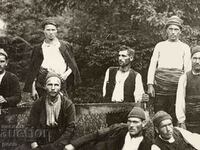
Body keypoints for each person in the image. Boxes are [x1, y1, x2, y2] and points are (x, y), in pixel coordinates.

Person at [147, 15, 191, 123]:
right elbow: (152, 65)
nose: (173, 32)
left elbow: (187, 69)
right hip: (160, 87)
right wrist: (150, 85)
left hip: (177, 87)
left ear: (180, 31)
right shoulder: (160, 45)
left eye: (176, 29)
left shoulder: (185, 47)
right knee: (159, 114)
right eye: (170, 29)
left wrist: (185, 88)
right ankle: (158, 137)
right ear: (166, 30)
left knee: (175, 114)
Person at [23, 18, 81, 100]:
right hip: (43, 81)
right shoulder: (38, 48)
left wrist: (65, 75)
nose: (51, 32)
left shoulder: (65, 46)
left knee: (63, 106)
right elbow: (33, 70)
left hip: (61, 80)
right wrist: (33, 89)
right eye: (48, 30)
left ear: (56, 31)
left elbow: (73, 65)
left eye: (53, 30)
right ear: (44, 31)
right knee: (44, 107)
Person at [22, 73, 76, 150]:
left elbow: (71, 128)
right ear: (45, 86)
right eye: (50, 84)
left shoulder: (68, 104)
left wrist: (58, 145)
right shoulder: (38, 103)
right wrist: (33, 143)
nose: (53, 88)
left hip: (60, 139)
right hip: (42, 138)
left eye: (56, 85)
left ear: (60, 87)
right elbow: (30, 125)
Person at [64, 107, 153, 150]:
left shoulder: (147, 144)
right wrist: (74, 144)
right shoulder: (118, 129)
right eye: (129, 121)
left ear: (143, 123)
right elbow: (96, 135)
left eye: (135, 122)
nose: (131, 125)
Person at [176, 45, 200, 133]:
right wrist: (181, 120)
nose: (197, 61)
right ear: (191, 59)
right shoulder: (184, 77)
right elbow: (180, 100)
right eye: (195, 58)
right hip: (190, 120)